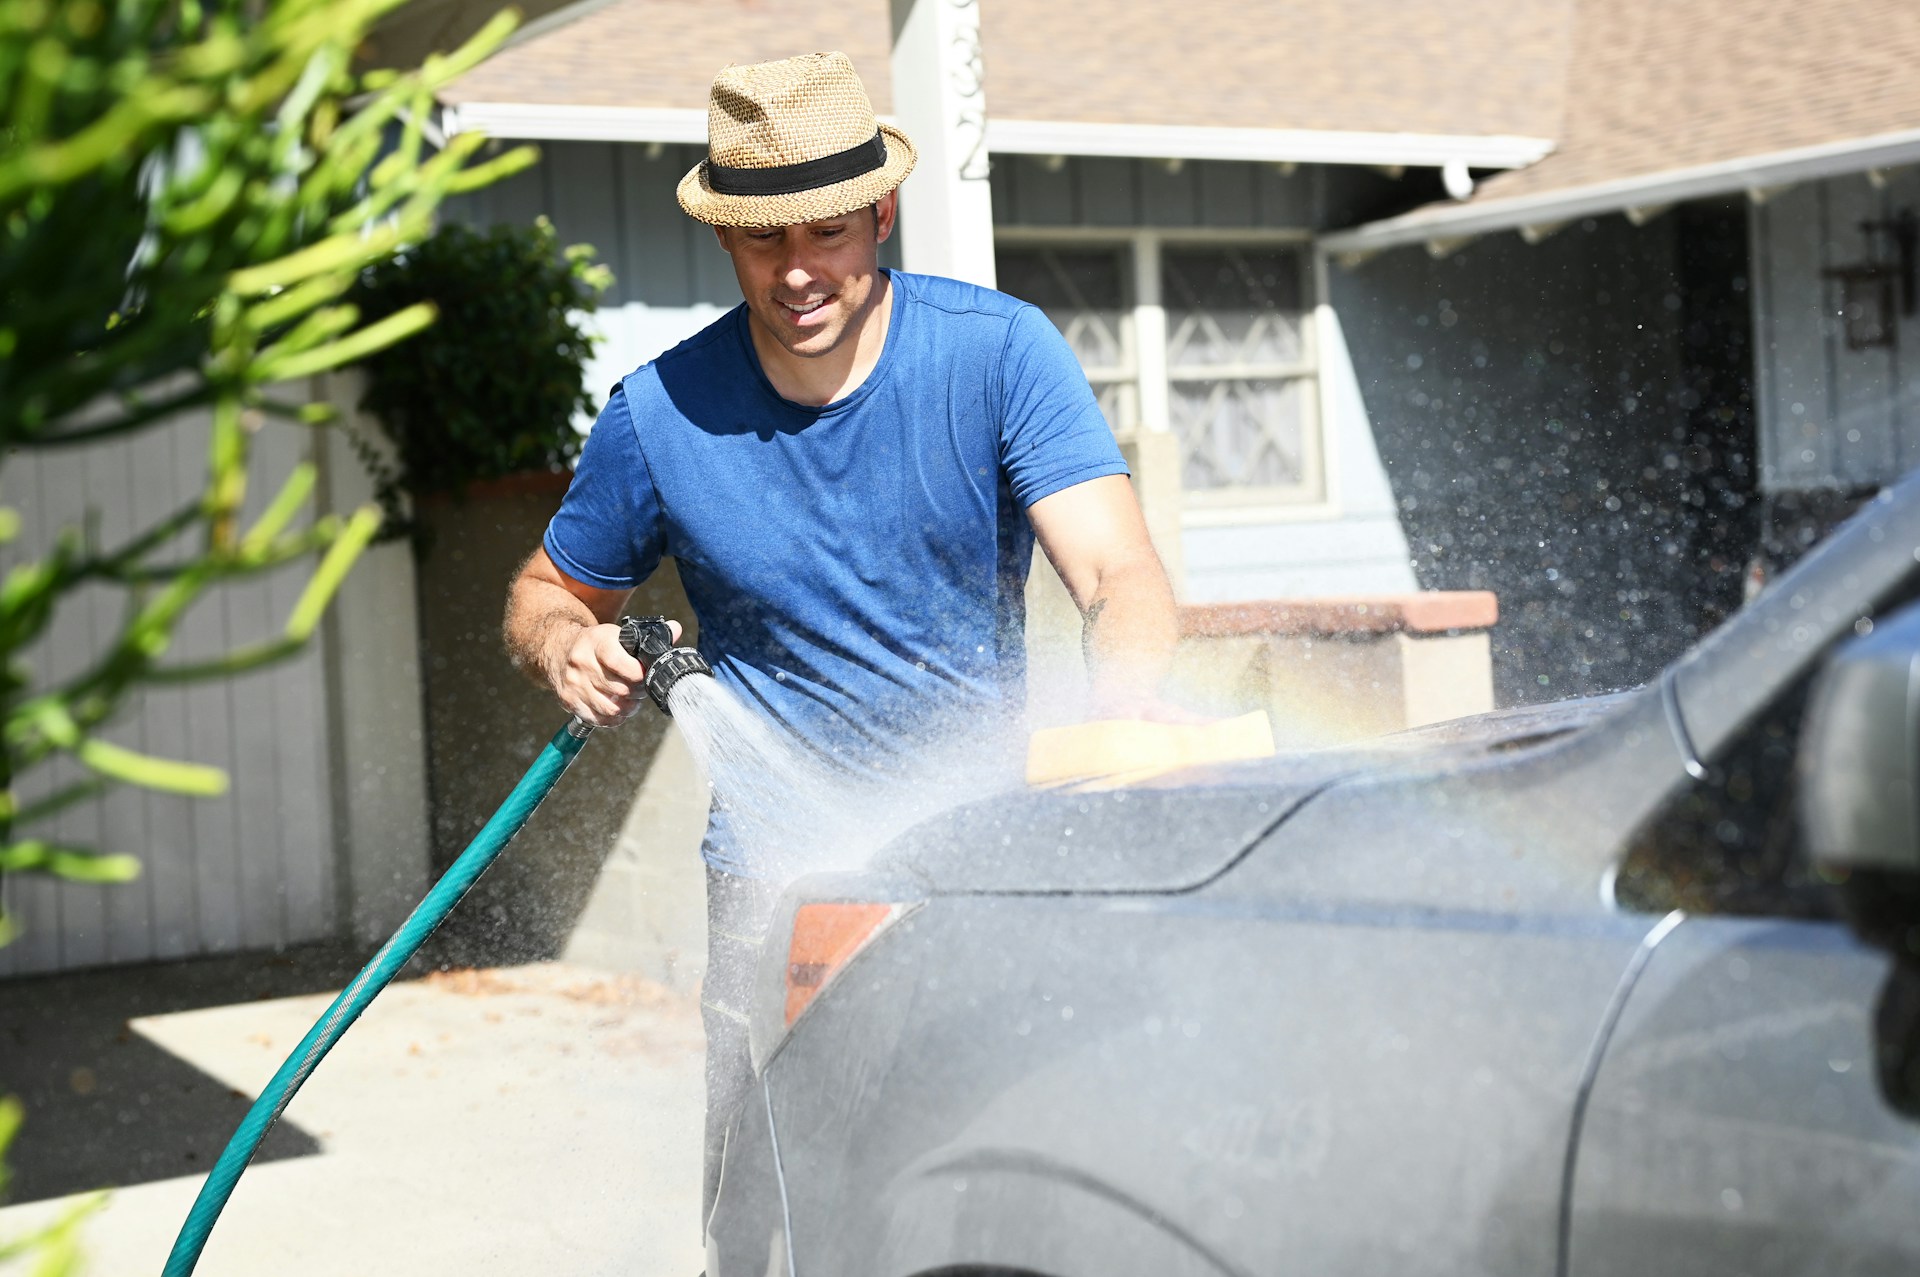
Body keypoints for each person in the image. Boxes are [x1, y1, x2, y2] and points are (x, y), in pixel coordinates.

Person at [501, 50, 1179, 1222]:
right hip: (776, 883)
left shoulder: (997, 354)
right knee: (774, 1206)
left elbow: (1120, 573)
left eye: (827, 231)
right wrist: (563, 640)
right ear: (726, 240)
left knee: (989, 1188)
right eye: (767, 241)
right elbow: (544, 589)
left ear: (881, 212)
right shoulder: (657, 415)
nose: (801, 270)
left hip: (978, 858)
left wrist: (1111, 715)